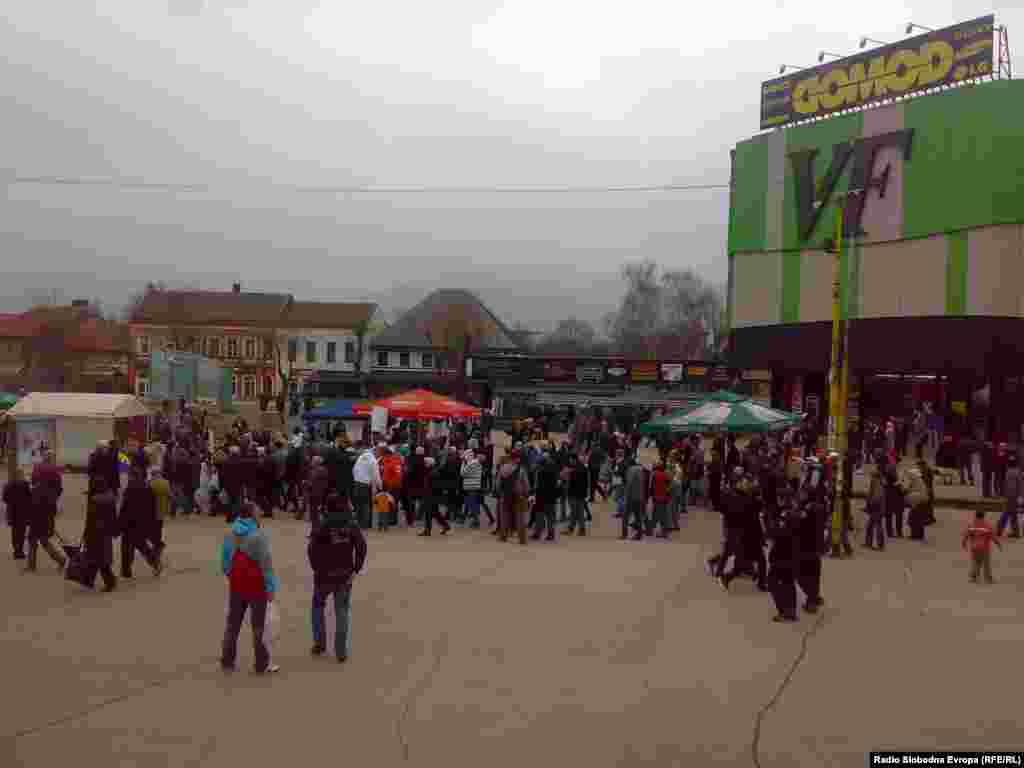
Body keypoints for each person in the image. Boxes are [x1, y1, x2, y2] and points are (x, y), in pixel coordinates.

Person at [220, 504, 279, 674]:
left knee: (233, 624)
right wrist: (270, 588)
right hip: (256, 586)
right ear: (252, 515)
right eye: (258, 511)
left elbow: (225, 564)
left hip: (237, 585)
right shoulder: (258, 536)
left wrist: (233, 577)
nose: (261, 514)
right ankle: (261, 663)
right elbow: (266, 565)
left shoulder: (230, 533)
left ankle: (227, 659)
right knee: (258, 626)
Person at [308, 494, 367, 663]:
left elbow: (311, 550)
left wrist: (317, 568)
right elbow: (362, 547)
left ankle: (319, 643)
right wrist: (356, 568)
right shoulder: (351, 524)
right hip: (344, 574)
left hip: (323, 575)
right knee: (342, 611)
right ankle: (340, 651)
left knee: (317, 607)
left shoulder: (321, 525)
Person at [27, 453, 67, 572]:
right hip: (48, 507)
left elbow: (32, 482)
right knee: (42, 538)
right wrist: (54, 498)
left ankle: (33, 565)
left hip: (37, 507)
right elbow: (59, 489)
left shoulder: (37, 468)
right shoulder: (55, 471)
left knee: (34, 538)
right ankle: (59, 559)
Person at [119, 469, 162, 579]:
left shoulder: (130, 489)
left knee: (127, 547)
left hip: (130, 523)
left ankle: (126, 570)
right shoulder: (148, 488)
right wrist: (152, 522)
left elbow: (125, 508)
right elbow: (153, 508)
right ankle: (155, 563)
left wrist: (119, 522)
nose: (129, 478)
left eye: (131, 476)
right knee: (141, 545)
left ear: (134, 477)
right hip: (143, 522)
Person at [81, 476, 119, 592]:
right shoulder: (111, 497)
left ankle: (109, 581)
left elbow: (90, 519)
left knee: (96, 558)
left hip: (95, 532)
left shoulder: (94, 500)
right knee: (100, 557)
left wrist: (85, 533)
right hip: (106, 531)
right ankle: (89, 580)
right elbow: (113, 517)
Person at [963, 510, 1000, 584]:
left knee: (975, 562)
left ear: (975, 516)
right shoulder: (987, 525)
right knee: (986, 563)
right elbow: (993, 536)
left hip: (974, 548)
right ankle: (988, 578)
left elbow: (966, 535)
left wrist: (964, 543)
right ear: (983, 516)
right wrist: (998, 544)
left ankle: (974, 577)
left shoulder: (971, 525)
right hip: (984, 548)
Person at [530, 450, 560, 541]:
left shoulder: (541, 471)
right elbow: (556, 484)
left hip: (541, 496)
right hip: (551, 497)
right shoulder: (554, 470)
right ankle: (551, 534)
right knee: (550, 516)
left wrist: (534, 494)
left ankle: (537, 533)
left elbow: (538, 485)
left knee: (539, 515)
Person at [3, 468, 32, 560]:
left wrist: (11, 502)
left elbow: (5, 498)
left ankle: (16, 551)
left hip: (13, 512)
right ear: (20, 475)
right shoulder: (25, 485)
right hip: (23, 512)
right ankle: (20, 551)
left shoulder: (8, 485)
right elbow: (30, 498)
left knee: (14, 532)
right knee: (21, 533)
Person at [418, 458, 451, 536]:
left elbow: (435, 486)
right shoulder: (431, 471)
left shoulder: (433, 472)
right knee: (435, 513)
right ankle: (445, 526)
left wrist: (430, 495)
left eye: (426, 462)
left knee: (429, 513)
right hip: (431, 495)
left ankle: (427, 530)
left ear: (430, 463)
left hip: (431, 496)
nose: (424, 463)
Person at [352, 446, 382, 530]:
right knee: (366, 505)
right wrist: (380, 486)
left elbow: (354, 469)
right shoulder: (373, 461)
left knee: (358, 505)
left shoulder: (361, 457)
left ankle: (358, 523)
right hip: (365, 484)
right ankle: (365, 525)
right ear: (375, 452)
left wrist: (356, 479)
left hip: (357, 483)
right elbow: (376, 475)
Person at [997, 454, 1021, 539]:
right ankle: (1015, 532)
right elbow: (1020, 485)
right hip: (1014, 496)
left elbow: (1006, 485)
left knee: (1007, 513)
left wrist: (1004, 494)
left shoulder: (1008, 472)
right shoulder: (1018, 472)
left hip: (1009, 496)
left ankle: (999, 530)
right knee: (1012, 514)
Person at [565, 453, 589, 537]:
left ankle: (572, 529)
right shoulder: (583, 468)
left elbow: (571, 483)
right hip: (581, 494)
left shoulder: (573, 470)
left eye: (570, 460)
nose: (570, 461)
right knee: (580, 512)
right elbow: (586, 482)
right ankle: (581, 530)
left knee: (574, 512)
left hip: (573, 493)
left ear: (573, 459)